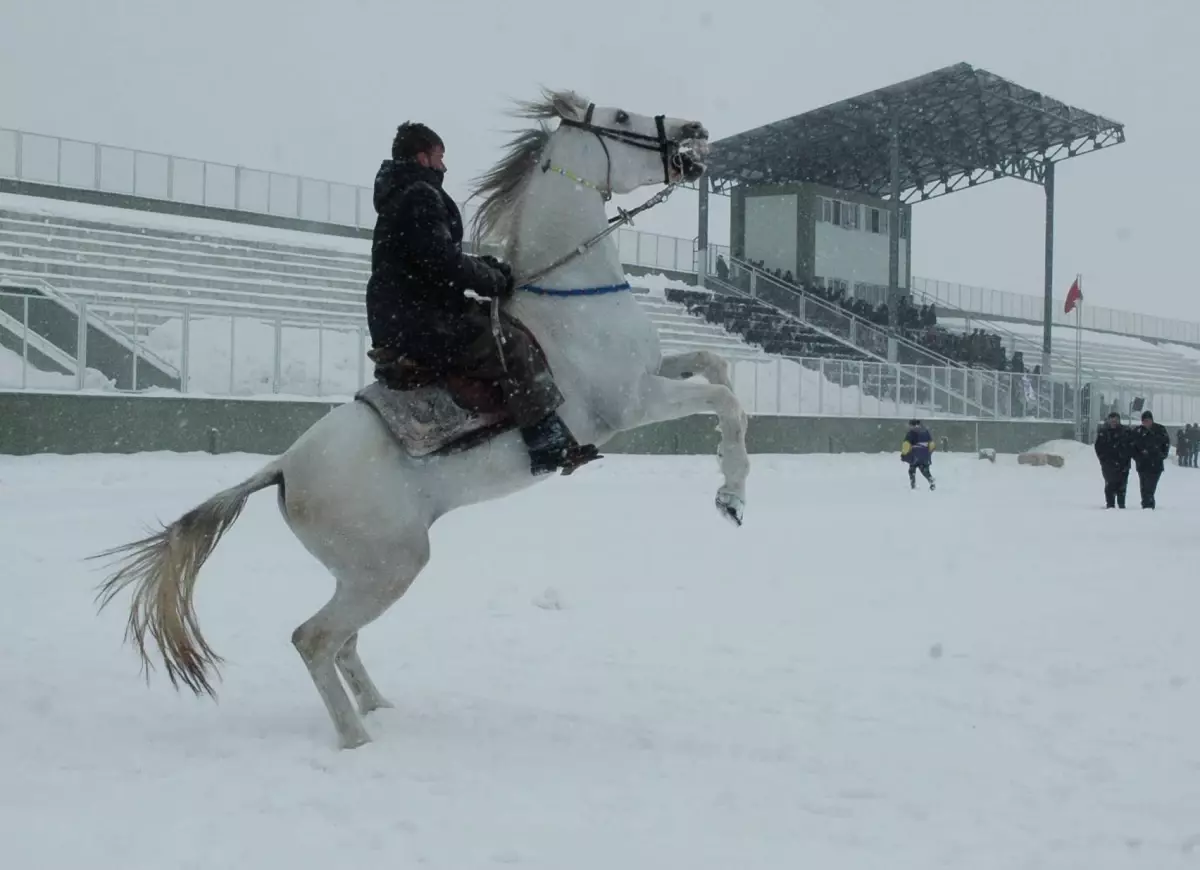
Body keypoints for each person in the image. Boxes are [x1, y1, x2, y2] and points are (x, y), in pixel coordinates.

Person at [365, 122, 599, 476]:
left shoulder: (399, 194)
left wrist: (486, 267)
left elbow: (435, 255)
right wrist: (490, 279)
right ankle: (545, 444)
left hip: (404, 316)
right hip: (420, 320)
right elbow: (441, 262)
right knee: (512, 344)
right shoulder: (419, 195)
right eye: (440, 158)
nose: (444, 166)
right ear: (423, 157)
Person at [1129, 410, 1170, 509]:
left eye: (1148, 420)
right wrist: (1138, 457)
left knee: (1150, 487)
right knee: (1143, 486)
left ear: (1152, 420)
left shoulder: (1160, 430)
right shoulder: (1138, 431)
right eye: (1144, 421)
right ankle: (1146, 505)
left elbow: (1166, 443)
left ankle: (1148, 505)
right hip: (1142, 464)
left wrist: (1161, 455)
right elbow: (1132, 447)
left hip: (1156, 464)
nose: (1146, 423)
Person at [1093, 410, 1132, 509]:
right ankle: (1110, 504)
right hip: (1108, 464)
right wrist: (1103, 460)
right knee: (1110, 484)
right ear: (1109, 421)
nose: (1114, 422)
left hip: (1123, 464)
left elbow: (1131, 446)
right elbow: (1098, 447)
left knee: (1122, 485)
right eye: (1112, 420)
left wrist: (1126, 457)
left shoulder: (1126, 431)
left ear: (1119, 421)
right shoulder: (1104, 432)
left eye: (1116, 420)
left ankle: (1121, 504)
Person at [901, 418, 936, 490]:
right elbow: (932, 444)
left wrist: (904, 454)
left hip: (915, 456)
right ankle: (931, 480)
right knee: (925, 470)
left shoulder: (911, 433)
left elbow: (906, 445)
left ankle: (913, 485)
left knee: (911, 470)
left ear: (912, 425)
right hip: (925, 455)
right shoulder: (926, 432)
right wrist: (928, 452)